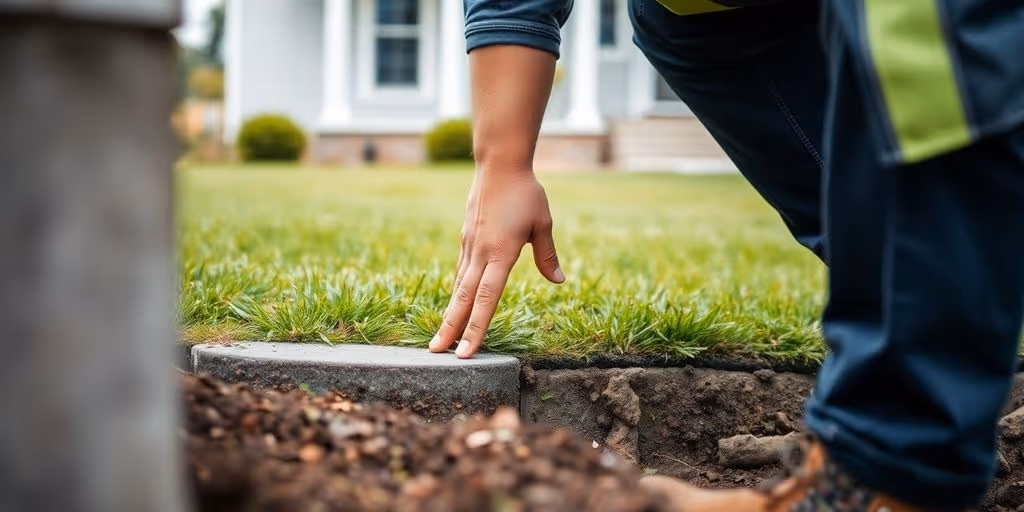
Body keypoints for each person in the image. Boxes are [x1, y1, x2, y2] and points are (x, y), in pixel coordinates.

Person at [427, 0, 1024, 510]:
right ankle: (914, 408)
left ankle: (877, 470)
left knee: (922, 45)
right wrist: (504, 164)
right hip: (720, 19)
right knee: (674, 14)